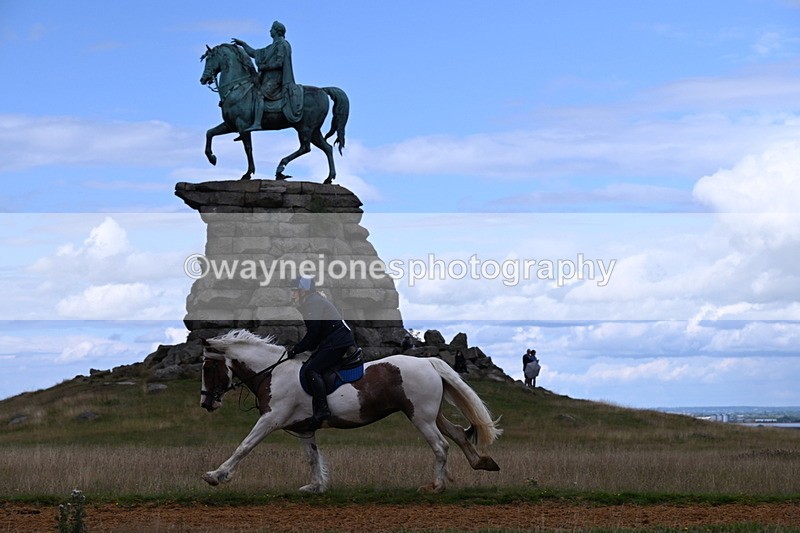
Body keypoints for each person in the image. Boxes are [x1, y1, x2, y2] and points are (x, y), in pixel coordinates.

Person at [287, 276, 356, 427]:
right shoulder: (313, 301)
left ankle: (323, 410)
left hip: (336, 342)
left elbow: (313, 334)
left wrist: (296, 349)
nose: (292, 294)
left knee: (311, 369)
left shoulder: (312, 303)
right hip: (334, 340)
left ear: (303, 291)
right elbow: (316, 335)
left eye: (294, 291)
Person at [232, 20, 303, 130]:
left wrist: (265, 67)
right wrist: (243, 44)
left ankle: (257, 123)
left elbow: (280, 63)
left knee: (259, 94)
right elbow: (255, 53)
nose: (270, 30)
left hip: (276, 79)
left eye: (272, 29)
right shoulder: (271, 47)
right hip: (267, 78)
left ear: (277, 31)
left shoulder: (282, 45)